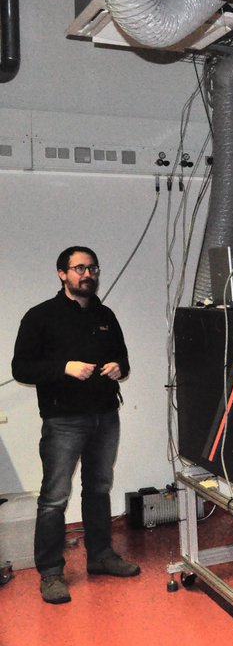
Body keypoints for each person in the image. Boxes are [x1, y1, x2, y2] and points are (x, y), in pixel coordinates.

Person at [11, 246, 140, 605]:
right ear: (62, 274)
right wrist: (64, 367)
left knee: (99, 488)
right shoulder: (40, 317)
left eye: (93, 268)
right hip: (63, 420)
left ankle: (100, 556)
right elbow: (21, 369)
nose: (88, 274)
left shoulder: (105, 315)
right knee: (54, 499)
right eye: (80, 268)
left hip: (104, 416)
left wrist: (119, 367)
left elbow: (123, 358)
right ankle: (51, 573)